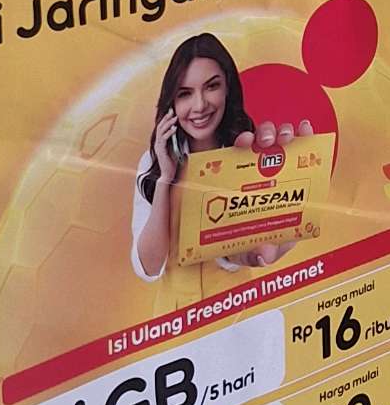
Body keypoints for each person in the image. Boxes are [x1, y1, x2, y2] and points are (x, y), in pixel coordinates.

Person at [130, 34, 305, 280]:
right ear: (171, 103)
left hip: (238, 297)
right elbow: (149, 266)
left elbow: (254, 246)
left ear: (228, 89)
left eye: (211, 86)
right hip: (176, 304)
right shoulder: (153, 163)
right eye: (184, 93)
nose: (199, 105)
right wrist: (165, 179)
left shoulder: (248, 150)